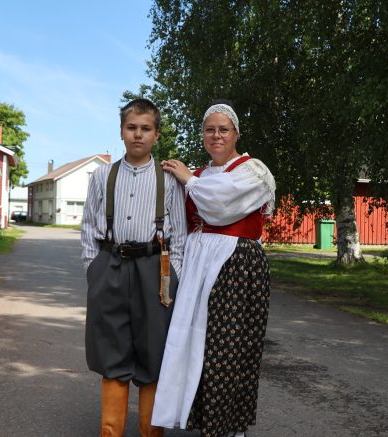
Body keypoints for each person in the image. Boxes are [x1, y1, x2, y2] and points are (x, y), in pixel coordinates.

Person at [153, 100, 276, 437]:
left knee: (230, 349)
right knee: (197, 344)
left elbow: (221, 205)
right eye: (210, 130)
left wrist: (188, 180)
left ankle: (229, 428)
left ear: (236, 134)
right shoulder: (201, 174)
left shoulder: (253, 171)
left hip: (236, 265)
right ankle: (204, 422)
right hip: (199, 264)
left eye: (224, 129)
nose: (216, 135)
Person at [80, 98, 187, 437]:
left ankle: (150, 432)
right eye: (131, 128)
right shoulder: (102, 175)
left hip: (154, 269)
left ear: (156, 134)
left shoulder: (169, 180)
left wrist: (174, 280)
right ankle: (110, 432)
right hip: (110, 265)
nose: (138, 135)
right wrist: (92, 269)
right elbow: (87, 228)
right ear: (122, 132)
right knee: (111, 351)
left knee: (152, 352)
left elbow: (180, 236)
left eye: (145, 129)